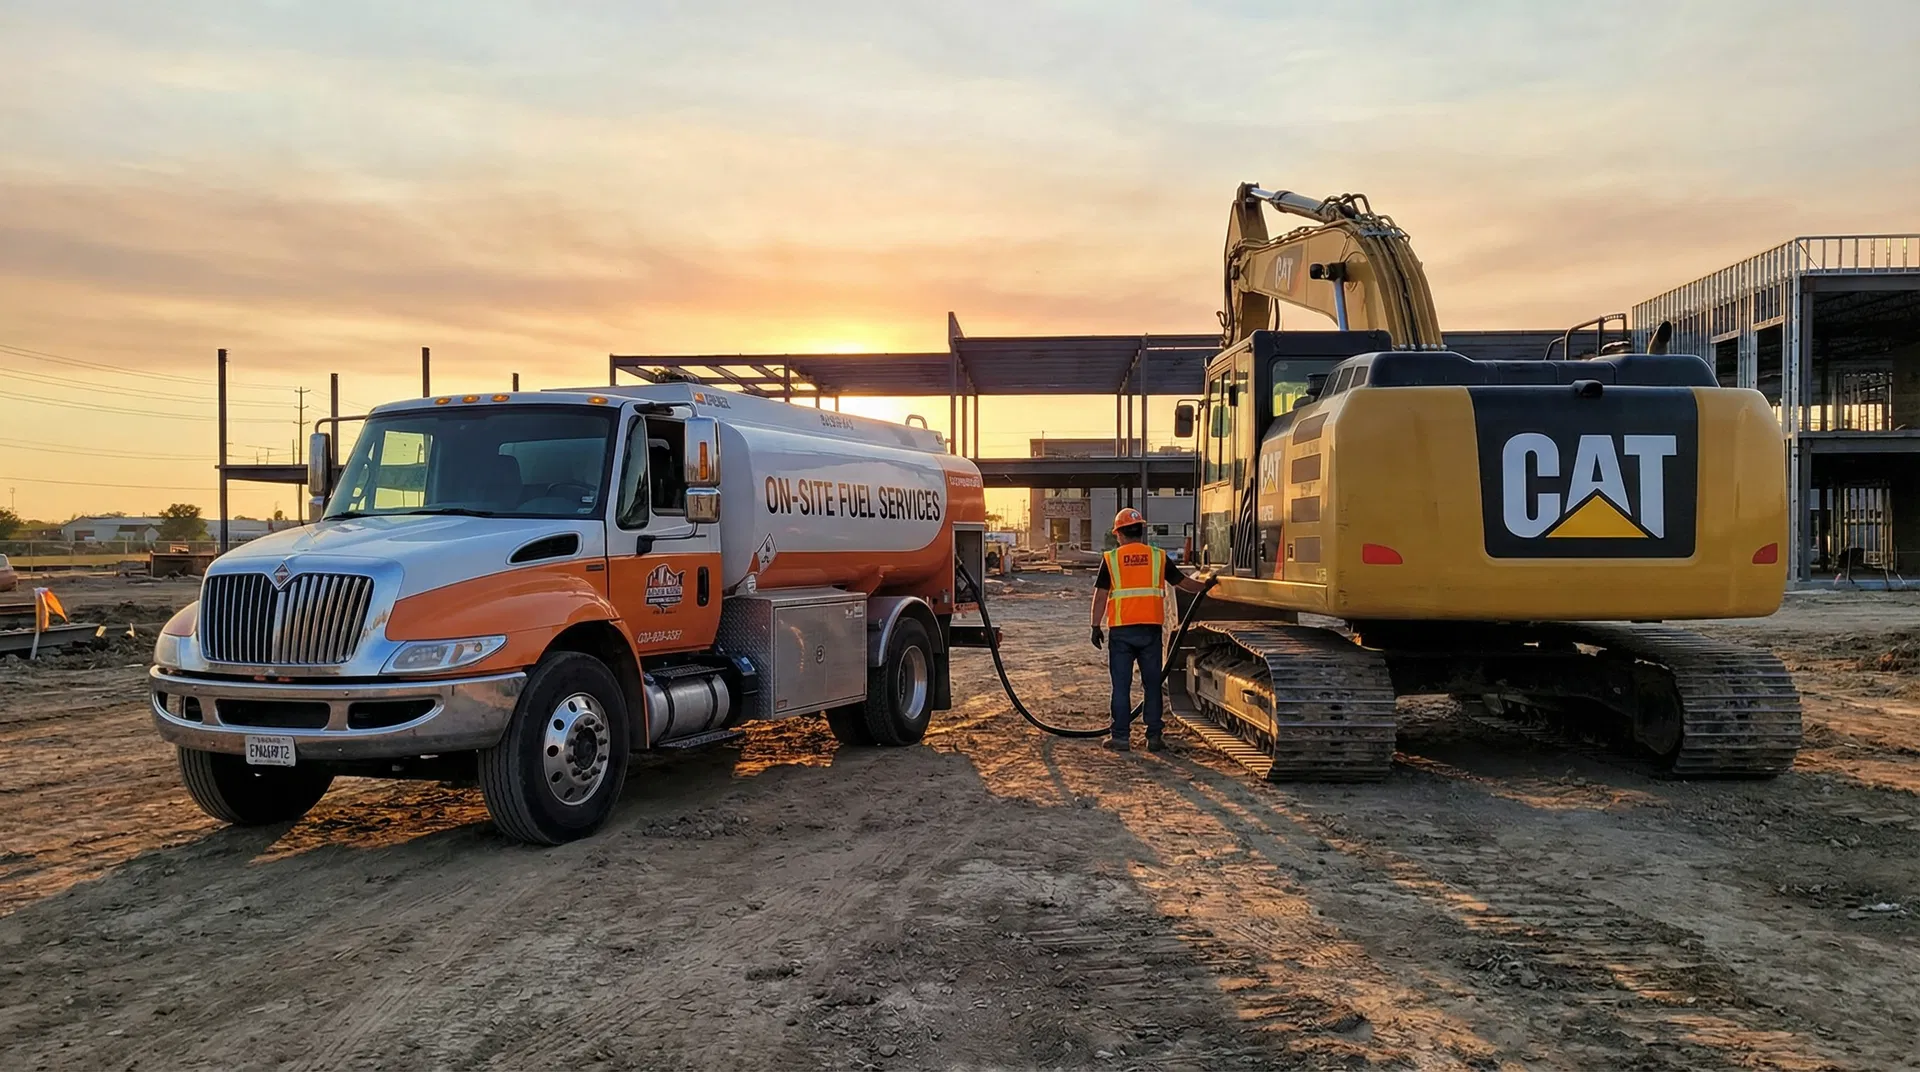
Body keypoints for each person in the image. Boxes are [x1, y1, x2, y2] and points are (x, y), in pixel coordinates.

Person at [1090, 508, 1205, 752]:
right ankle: (1154, 738)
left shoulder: (1111, 559)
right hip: (1150, 631)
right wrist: (1209, 586)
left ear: (1119, 534)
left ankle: (1120, 737)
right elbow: (1184, 583)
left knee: (1120, 686)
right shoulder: (1158, 557)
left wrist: (1095, 626)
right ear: (1141, 531)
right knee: (1152, 685)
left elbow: (1100, 596)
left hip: (1121, 632)